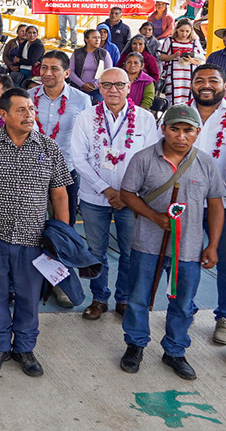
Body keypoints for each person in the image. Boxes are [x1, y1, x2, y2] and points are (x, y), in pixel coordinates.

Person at [0, 87, 72, 377]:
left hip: (33, 239)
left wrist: (64, 239)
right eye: (21, 110)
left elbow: (60, 196)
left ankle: (24, 347)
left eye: (31, 109)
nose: (29, 115)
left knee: (28, 295)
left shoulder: (49, 148)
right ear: (3, 114)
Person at [119, 105, 225, 380]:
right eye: (174, 129)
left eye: (188, 130)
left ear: (197, 132)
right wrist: (154, 216)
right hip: (147, 245)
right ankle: (135, 344)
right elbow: (128, 194)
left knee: (183, 302)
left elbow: (215, 205)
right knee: (139, 297)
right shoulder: (143, 159)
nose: (180, 136)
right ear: (163, 129)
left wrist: (212, 244)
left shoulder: (206, 163)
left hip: (188, 249)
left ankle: (175, 350)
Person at [71, 68, 158, 323]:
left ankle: (123, 298)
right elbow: (79, 159)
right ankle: (99, 298)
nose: (113, 90)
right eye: (107, 85)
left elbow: (150, 160)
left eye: (119, 85)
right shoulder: (86, 118)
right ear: (99, 87)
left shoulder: (145, 119)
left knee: (130, 252)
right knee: (96, 251)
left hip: (132, 199)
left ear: (129, 87)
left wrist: (127, 193)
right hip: (94, 197)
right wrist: (105, 189)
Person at [187, 64, 226, 345]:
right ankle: (184, 309)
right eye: (199, 80)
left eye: (213, 80)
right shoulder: (178, 114)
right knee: (183, 260)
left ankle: (225, 317)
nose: (206, 85)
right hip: (185, 203)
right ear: (192, 85)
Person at [31, 50, 91, 233]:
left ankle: (60, 260)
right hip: (33, 171)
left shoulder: (82, 100)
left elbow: (87, 137)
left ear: (66, 73)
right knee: (32, 224)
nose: (47, 73)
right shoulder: (27, 97)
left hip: (66, 170)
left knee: (65, 225)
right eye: (44, 68)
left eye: (54, 69)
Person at [159, 19, 205, 107]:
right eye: (182, 31)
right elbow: (161, 56)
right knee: (172, 99)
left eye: (187, 31)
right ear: (177, 29)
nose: (184, 34)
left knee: (189, 99)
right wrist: (172, 56)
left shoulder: (194, 42)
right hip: (173, 76)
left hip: (189, 76)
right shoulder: (170, 40)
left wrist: (191, 60)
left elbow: (200, 59)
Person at [69, 29, 112, 102]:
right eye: (94, 37)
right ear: (86, 39)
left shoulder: (104, 54)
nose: (97, 40)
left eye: (99, 37)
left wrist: (95, 85)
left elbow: (108, 73)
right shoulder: (77, 53)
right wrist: (82, 84)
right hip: (78, 88)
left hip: (98, 90)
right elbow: (70, 71)